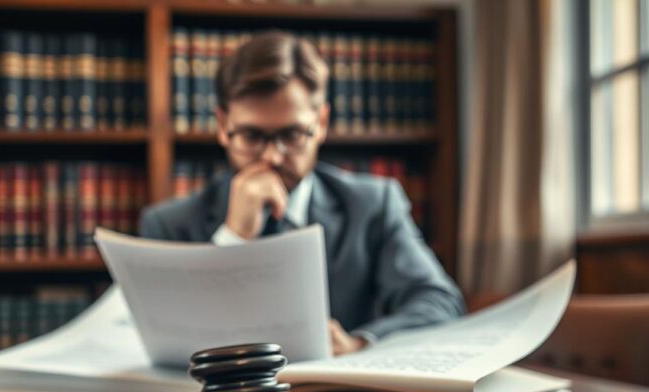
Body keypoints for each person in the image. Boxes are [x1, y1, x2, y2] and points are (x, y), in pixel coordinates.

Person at [140, 31, 465, 355]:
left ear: (321, 123)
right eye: (252, 136)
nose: (272, 157)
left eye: (292, 134)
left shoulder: (371, 206)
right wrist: (233, 238)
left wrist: (359, 342)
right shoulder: (168, 225)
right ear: (223, 126)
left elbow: (440, 302)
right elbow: (163, 342)